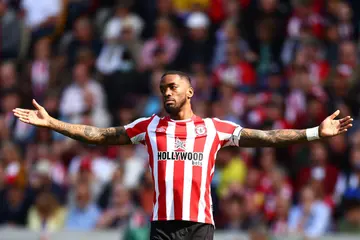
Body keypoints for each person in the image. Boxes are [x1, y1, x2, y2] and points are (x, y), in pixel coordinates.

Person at [13, 71, 353, 240]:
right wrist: (53, 123)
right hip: (162, 225)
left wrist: (313, 133)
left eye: (172, 87)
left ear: (190, 91)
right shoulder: (148, 126)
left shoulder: (213, 128)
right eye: (162, 89)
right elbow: (100, 135)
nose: (166, 93)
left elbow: (267, 137)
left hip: (200, 225)